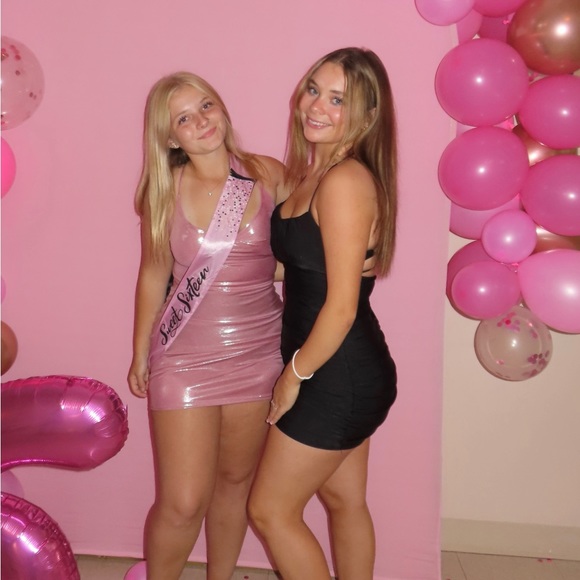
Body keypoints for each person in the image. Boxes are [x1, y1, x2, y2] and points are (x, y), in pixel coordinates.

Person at [127, 71, 285, 580]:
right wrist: (140, 352)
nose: (200, 121)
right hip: (184, 356)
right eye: (183, 118)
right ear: (171, 138)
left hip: (258, 351)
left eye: (206, 106)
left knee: (234, 484)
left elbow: (299, 252)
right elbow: (153, 274)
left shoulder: (267, 174)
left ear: (222, 108)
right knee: (182, 502)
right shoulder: (164, 191)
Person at [248, 47, 398, 580]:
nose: (317, 106)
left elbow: (340, 307)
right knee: (344, 501)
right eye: (314, 90)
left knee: (270, 512)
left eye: (338, 99)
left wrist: (293, 377)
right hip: (338, 367)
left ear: (368, 115)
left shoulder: (344, 182)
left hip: (334, 372)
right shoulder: (318, 174)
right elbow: (308, 269)